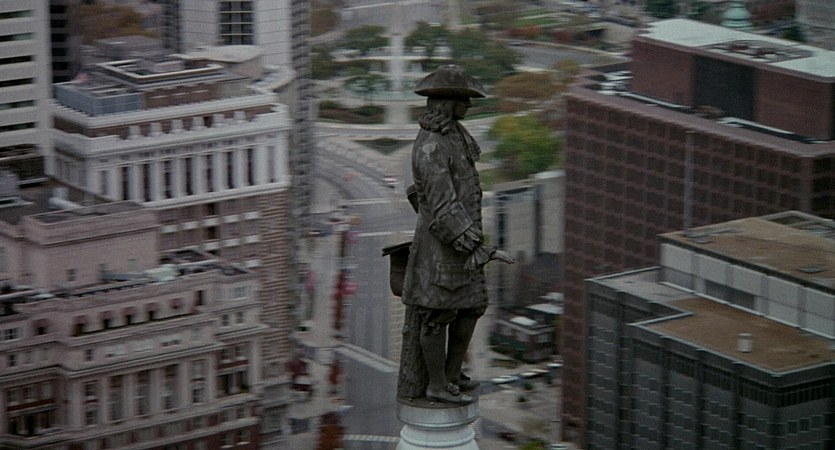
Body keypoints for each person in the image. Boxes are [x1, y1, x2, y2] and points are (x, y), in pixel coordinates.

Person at [401, 65, 514, 404]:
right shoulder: (431, 145)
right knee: (438, 316)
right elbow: (442, 204)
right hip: (441, 245)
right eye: (464, 99)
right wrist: (479, 248)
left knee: (472, 307)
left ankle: (452, 374)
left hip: (459, 244)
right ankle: (436, 384)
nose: (469, 104)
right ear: (448, 103)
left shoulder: (454, 136)